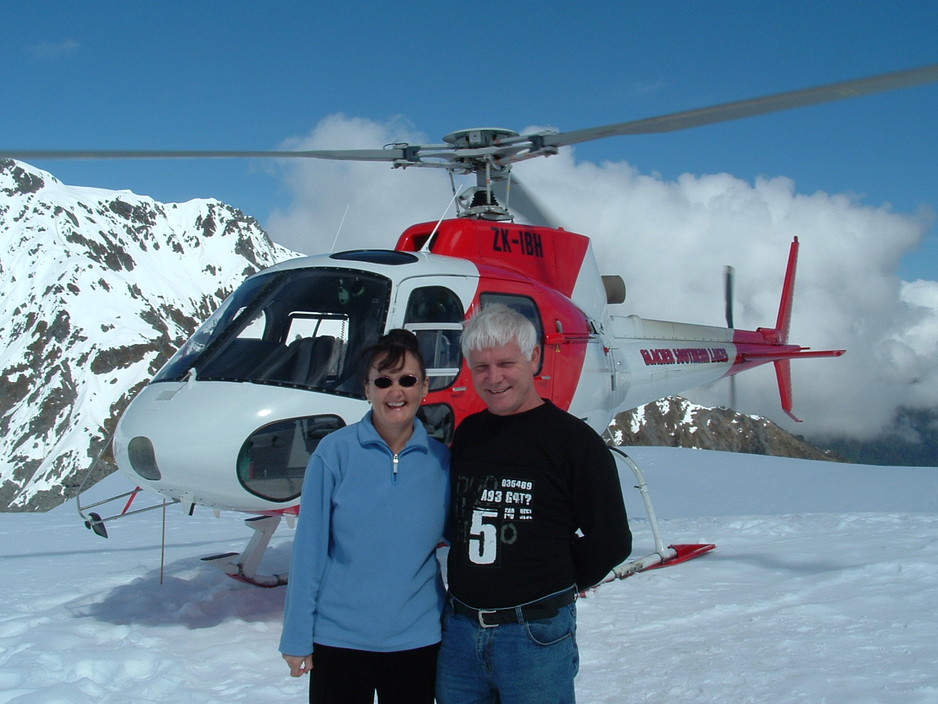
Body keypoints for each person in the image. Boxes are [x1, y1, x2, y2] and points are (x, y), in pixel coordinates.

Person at [436, 303, 632, 704]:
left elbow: (611, 538)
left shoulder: (573, 443)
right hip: (459, 632)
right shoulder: (471, 433)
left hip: (534, 635)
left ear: (534, 357)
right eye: (481, 368)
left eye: (506, 363)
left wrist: (557, 584)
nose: (494, 378)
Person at [280, 329, 450, 704]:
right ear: (366, 389)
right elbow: (309, 550)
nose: (396, 391)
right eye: (383, 381)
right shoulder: (334, 454)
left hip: (416, 643)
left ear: (424, 388)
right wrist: (297, 636)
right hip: (338, 642)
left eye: (407, 380)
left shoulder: (442, 463)